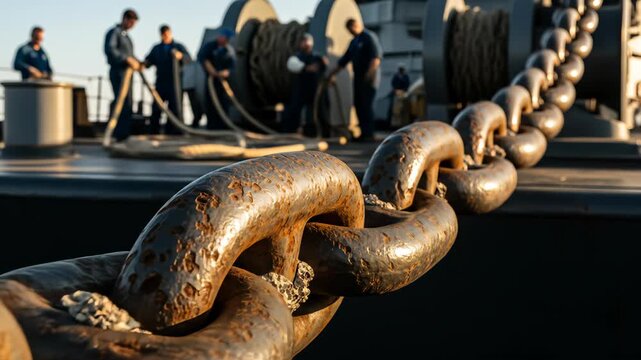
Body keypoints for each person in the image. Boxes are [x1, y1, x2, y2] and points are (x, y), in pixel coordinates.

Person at [328, 18, 382, 142]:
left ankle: (369, 134)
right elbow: (344, 61)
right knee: (358, 104)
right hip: (358, 77)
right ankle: (363, 133)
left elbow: (375, 58)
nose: (350, 32)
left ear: (356, 26)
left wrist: (370, 75)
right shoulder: (354, 42)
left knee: (366, 105)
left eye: (351, 29)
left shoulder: (369, 37)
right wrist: (331, 74)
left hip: (369, 77)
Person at [144, 25, 191, 135]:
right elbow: (148, 61)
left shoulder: (178, 46)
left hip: (175, 83)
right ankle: (154, 133)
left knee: (175, 108)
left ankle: (175, 133)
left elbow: (188, 58)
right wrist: (142, 64)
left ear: (170, 33)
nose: (165, 36)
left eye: (166, 33)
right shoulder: (157, 48)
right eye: (162, 34)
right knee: (156, 108)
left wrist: (180, 56)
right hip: (161, 82)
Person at [104, 9, 142, 142]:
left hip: (128, 74)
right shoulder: (114, 33)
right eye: (131, 22)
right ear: (125, 19)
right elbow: (110, 49)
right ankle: (119, 134)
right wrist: (125, 59)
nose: (132, 26)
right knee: (121, 102)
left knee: (128, 102)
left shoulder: (126, 37)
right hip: (118, 72)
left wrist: (138, 62)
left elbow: (130, 55)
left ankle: (125, 134)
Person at [282, 33, 329, 136]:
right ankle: (293, 132)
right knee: (295, 110)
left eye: (307, 41)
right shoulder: (297, 57)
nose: (305, 44)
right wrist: (305, 68)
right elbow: (291, 64)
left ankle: (322, 133)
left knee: (319, 111)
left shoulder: (318, 57)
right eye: (303, 41)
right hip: (301, 88)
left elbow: (324, 67)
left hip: (316, 89)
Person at [197, 28, 236, 130]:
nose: (226, 40)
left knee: (224, 104)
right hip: (211, 81)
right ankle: (212, 129)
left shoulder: (229, 51)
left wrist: (226, 72)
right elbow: (202, 58)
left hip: (223, 83)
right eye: (225, 38)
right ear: (220, 37)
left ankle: (224, 128)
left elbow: (232, 67)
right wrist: (211, 71)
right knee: (211, 105)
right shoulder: (209, 47)